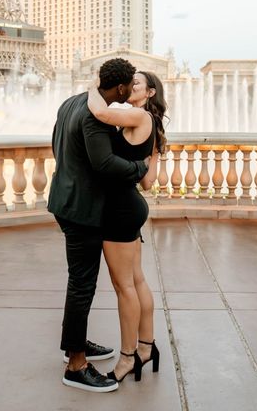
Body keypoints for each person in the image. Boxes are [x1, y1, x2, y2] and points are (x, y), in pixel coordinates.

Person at [47, 58, 149, 393]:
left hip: (64, 199)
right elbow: (104, 163)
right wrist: (139, 170)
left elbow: (57, 144)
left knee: (79, 281)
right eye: (128, 87)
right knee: (82, 284)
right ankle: (76, 363)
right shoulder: (94, 115)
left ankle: (75, 343)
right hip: (82, 209)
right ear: (120, 88)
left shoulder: (71, 102)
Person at [87, 71, 167, 383]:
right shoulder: (150, 123)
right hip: (131, 206)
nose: (130, 86)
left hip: (119, 209)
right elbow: (147, 182)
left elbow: (100, 112)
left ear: (149, 92)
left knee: (124, 288)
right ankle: (146, 348)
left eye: (136, 83)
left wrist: (94, 86)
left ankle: (127, 357)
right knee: (136, 281)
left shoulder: (138, 116)